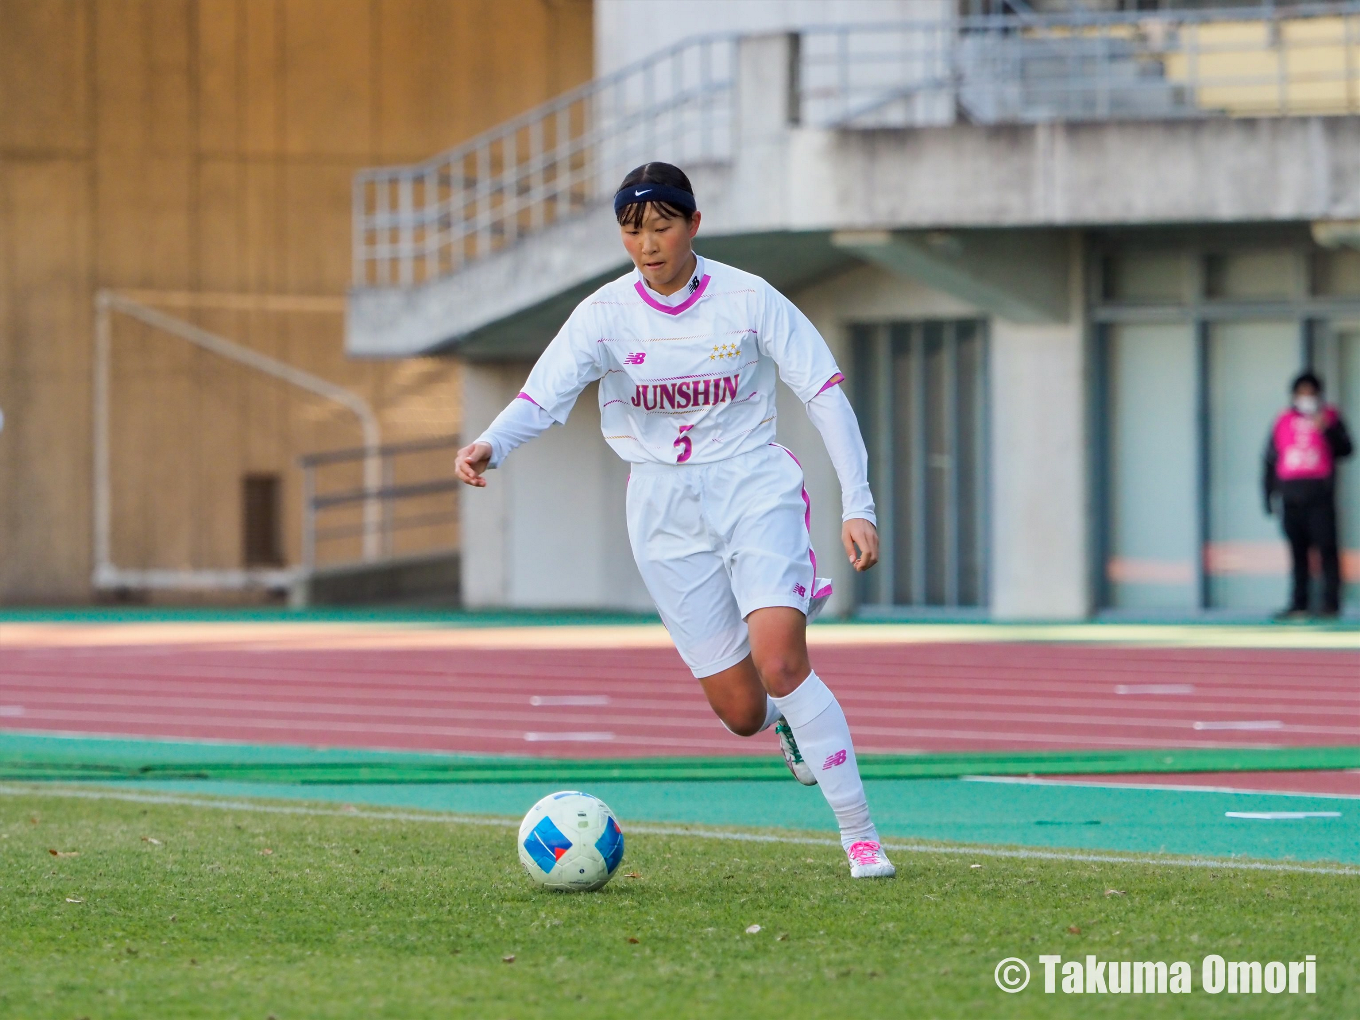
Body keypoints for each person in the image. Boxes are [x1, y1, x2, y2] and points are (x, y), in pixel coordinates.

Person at [454, 162, 894, 878]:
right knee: (743, 712)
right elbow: (542, 396)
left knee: (783, 663)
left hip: (753, 486)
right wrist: (490, 445)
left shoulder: (750, 298)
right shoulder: (603, 314)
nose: (648, 244)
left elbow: (822, 392)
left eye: (661, 227)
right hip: (661, 508)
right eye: (632, 231)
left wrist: (858, 505)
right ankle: (787, 721)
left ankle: (861, 837)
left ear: (693, 224)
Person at [1263, 370, 1353, 619]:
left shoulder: (1330, 417)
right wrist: (1269, 495)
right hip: (1291, 495)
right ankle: (1298, 603)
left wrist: (1327, 430)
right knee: (1297, 552)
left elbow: (1346, 449)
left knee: (1326, 549)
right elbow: (1270, 460)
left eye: (1311, 393)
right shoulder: (1282, 420)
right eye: (1301, 393)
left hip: (1320, 495)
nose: (1306, 398)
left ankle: (1330, 603)